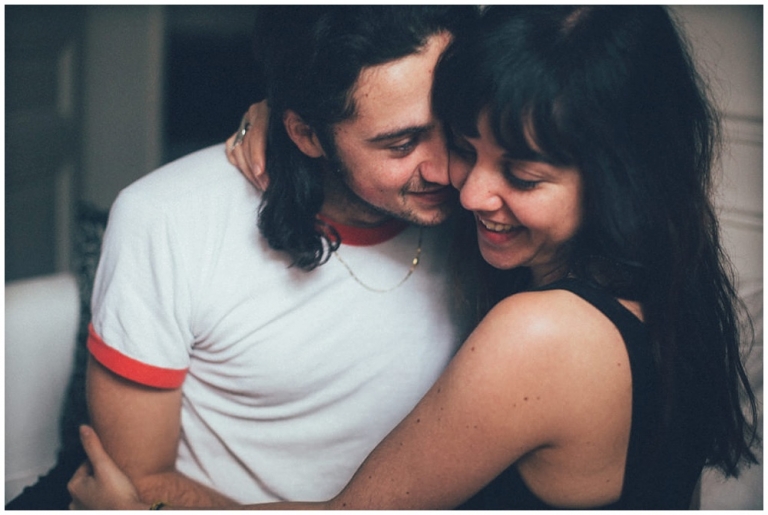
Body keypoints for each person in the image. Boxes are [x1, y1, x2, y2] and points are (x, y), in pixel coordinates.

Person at [69, 5, 759, 510]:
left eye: (520, 174)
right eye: (409, 143)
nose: (464, 182)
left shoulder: (541, 331)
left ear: (617, 172)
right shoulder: (667, 268)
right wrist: (277, 112)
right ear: (306, 132)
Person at [44, 6, 482, 510]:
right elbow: (135, 485)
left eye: (453, 126)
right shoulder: (166, 218)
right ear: (306, 134)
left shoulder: (491, 203)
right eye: (401, 144)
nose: (447, 168)